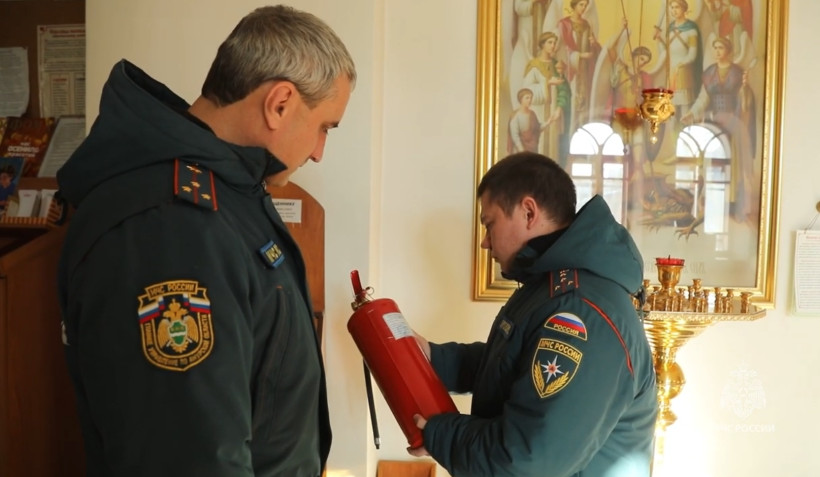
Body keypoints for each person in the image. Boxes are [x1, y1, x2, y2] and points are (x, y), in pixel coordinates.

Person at [55, 5, 355, 476]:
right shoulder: (169, 224)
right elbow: (189, 456)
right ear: (279, 103)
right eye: (324, 127)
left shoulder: (229, 191)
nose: (319, 152)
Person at [409, 152, 658, 476]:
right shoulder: (553, 288)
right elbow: (513, 363)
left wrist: (440, 434)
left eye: (489, 224)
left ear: (528, 212)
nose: (485, 242)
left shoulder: (582, 310)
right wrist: (432, 358)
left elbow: (527, 459)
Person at [522, 32, 571, 167]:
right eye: (550, 42)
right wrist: (547, 83)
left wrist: (559, 108)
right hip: (538, 111)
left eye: (554, 43)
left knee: (553, 147)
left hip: (554, 112)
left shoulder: (556, 65)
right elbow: (526, 90)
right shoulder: (534, 65)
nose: (553, 45)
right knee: (539, 143)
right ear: (542, 44)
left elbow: (564, 90)